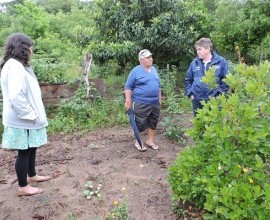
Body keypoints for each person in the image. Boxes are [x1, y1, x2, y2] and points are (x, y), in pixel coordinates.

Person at [0, 33, 51, 197]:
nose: (32, 52)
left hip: (26, 119)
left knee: (31, 147)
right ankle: (23, 186)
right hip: (22, 119)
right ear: (23, 48)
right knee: (24, 151)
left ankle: (32, 176)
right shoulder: (14, 66)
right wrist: (29, 113)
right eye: (30, 48)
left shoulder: (18, 66)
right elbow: (16, 96)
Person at [124, 49, 161, 151]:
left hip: (154, 103)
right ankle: (138, 142)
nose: (150, 59)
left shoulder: (154, 70)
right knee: (140, 123)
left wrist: (159, 99)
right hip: (141, 103)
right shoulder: (135, 71)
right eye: (147, 57)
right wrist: (128, 101)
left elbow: (158, 85)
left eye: (151, 57)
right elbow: (128, 87)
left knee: (153, 122)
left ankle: (150, 141)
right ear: (141, 60)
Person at [185, 37, 229, 116]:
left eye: (200, 49)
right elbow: (188, 79)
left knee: (214, 125)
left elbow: (226, 80)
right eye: (197, 49)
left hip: (214, 101)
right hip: (197, 101)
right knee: (199, 125)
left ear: (208, 49)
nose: (197, 52)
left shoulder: (220, 61)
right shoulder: (194, 63)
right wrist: (191, 94)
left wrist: (220, 95)